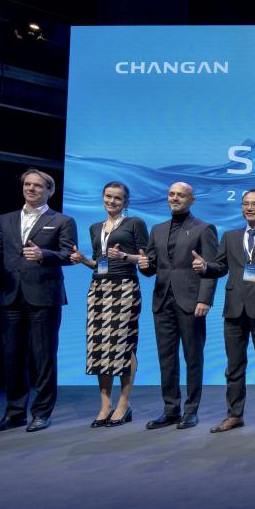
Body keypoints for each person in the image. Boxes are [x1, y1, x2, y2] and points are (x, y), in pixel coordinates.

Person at [0, 168, 77, 433]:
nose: (31, 189)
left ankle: (42, 413)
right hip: (11, 294)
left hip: (44, 296)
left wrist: (44, 254)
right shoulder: (5, 219)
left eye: (37, 185)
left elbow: (69, 255)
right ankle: (15, 413)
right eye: (27, 184)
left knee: (43, 358)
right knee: (13, 357)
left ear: (49, 191)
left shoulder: (62, 220)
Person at [195, 189, 255, 434]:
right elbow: (220, 266)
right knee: (234, 366)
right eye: (245, 204)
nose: (249, 208)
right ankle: (234, 415)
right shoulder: (230, 236)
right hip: (234, 308)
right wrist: (205, 267)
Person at [138, 182, 217, 430]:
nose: (175, 198)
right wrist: (144, 265)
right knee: (166, 359)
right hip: (162, 300)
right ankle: (171, 410)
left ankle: (191, 410)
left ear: (192, 200)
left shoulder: (204, 228)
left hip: (191, 301)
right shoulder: (157, 229)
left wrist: (205, 299)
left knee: (193, 358)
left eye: (181, 195)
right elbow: (151, 267)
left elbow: (210, 267)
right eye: (171, 194)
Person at [69, 181, 148, 428]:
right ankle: (105, 405)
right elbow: (99, 262)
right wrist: (83, 259)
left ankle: (123, 404)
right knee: (99, 346)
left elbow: (146, 258)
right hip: (98, 288)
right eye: (108, 196)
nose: (112, 201)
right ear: (103, 197)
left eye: (117, 198)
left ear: (125, 201)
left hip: (125, 287)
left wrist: (124, 256)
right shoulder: (95, 228)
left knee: (123, 345)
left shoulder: (135, 223)